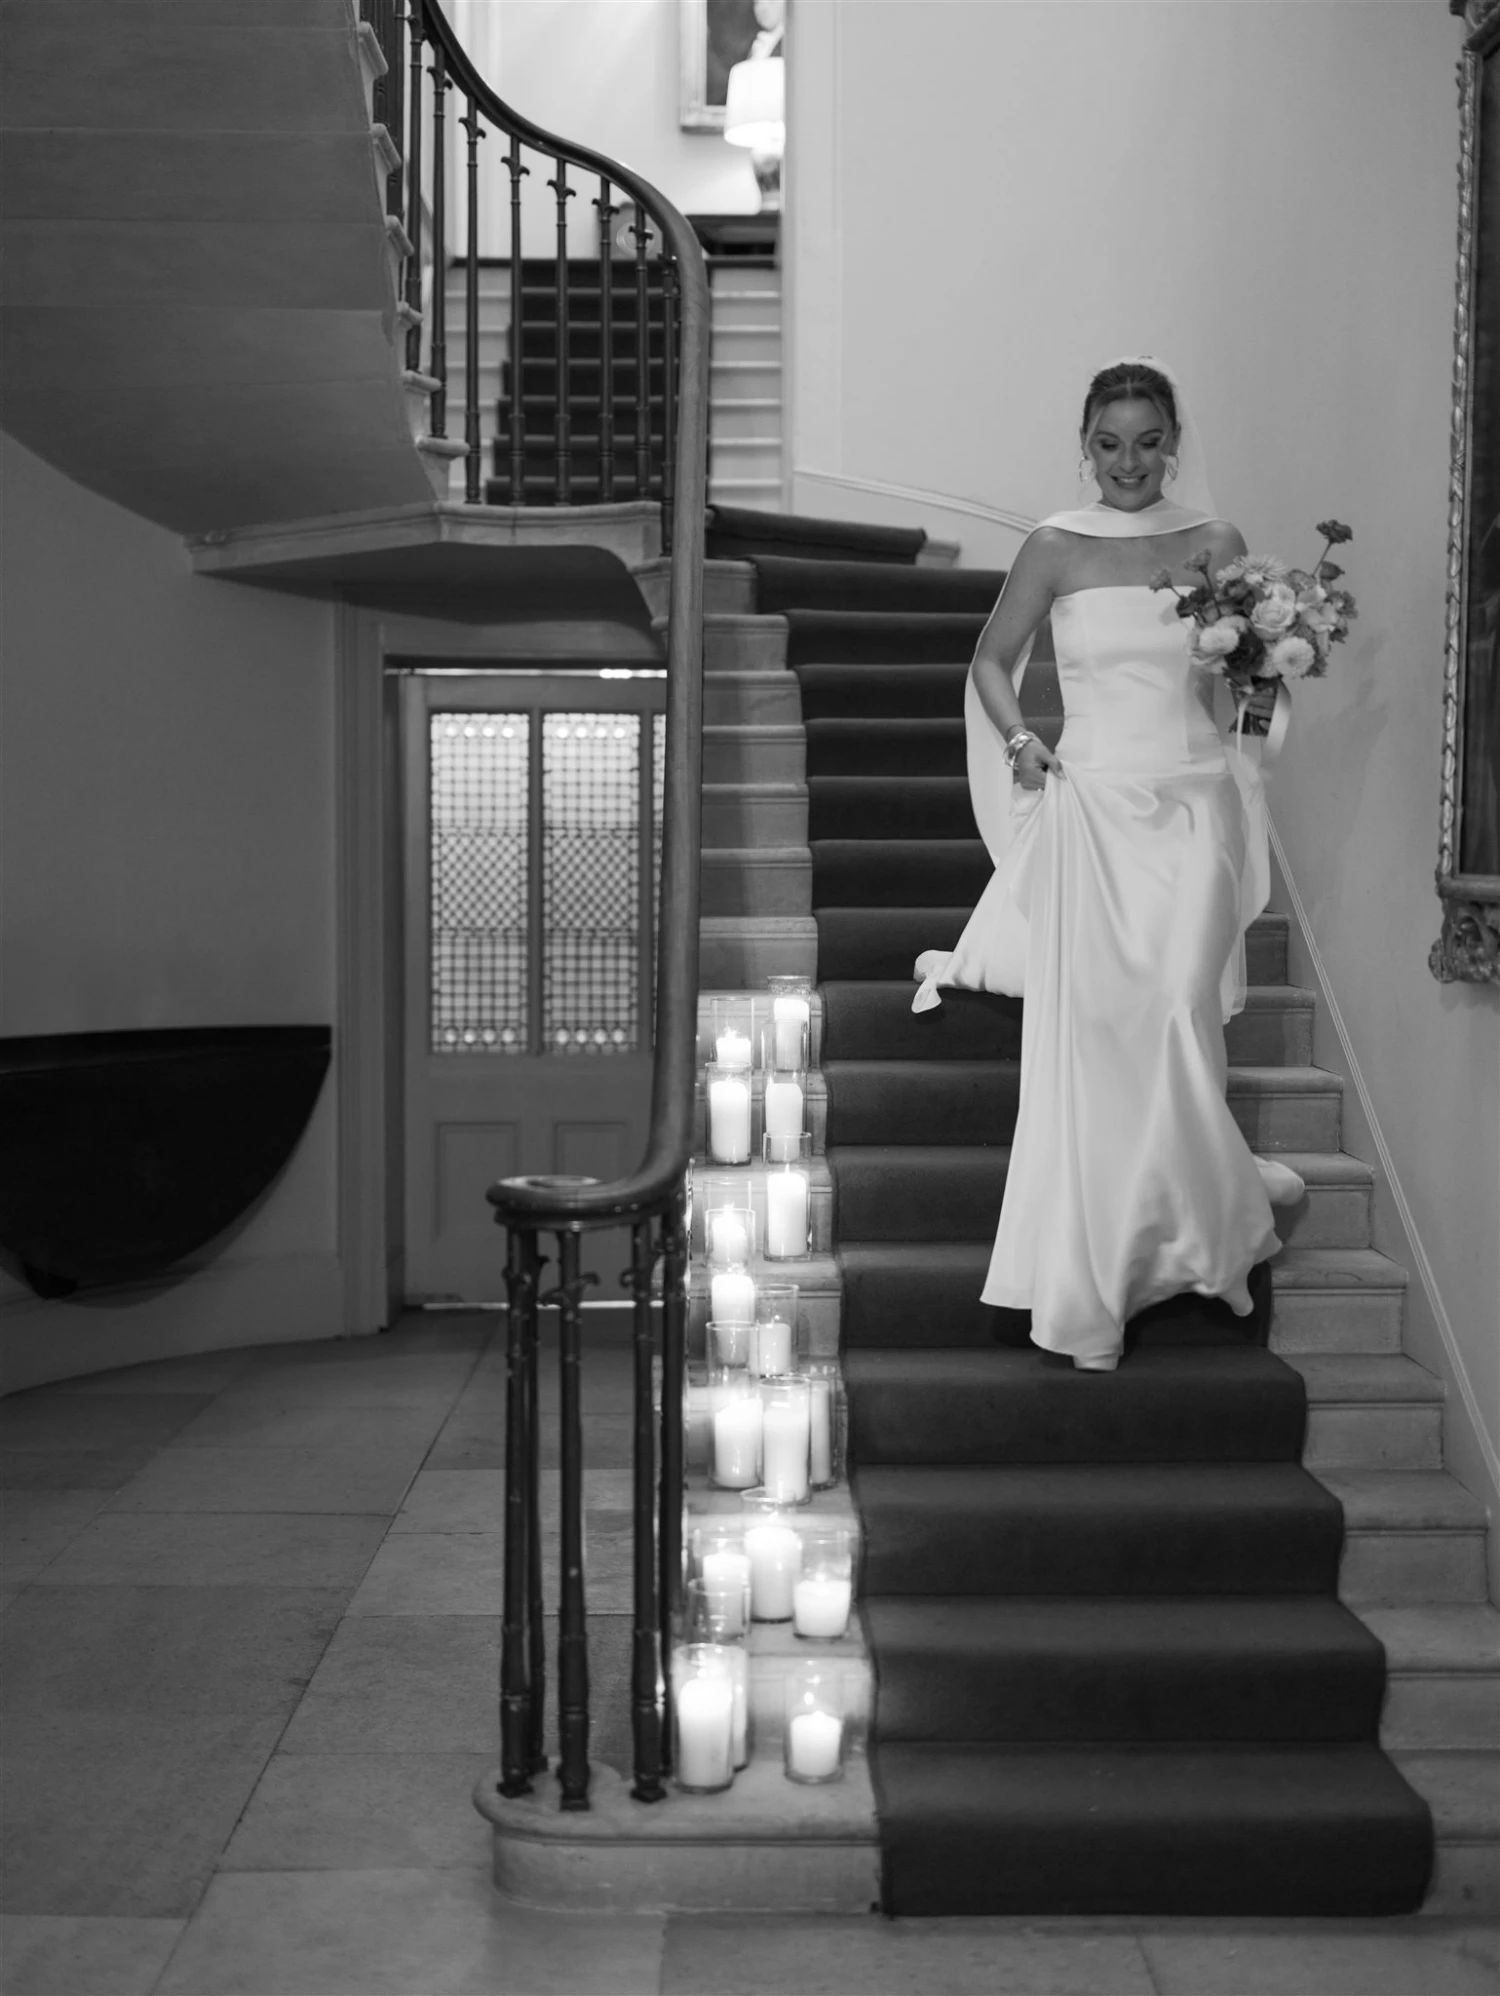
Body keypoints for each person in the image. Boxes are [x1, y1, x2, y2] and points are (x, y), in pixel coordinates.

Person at [913, 356, 1303, 1372]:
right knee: (1100, 1033)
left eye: (1146, 439)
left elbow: (1247, 680)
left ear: (1173, 439)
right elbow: (991, 662)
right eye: (1107, 441)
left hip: (1192, 804)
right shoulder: (1054, 545)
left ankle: (1203, 1222)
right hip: (1094, 803)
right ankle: (1129, 1254)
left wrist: (1266, 706)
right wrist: (1018, 745)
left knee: (1178, 1007)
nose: (1128, 461)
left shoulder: (1217, 543)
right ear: (1084, 443)